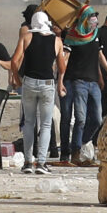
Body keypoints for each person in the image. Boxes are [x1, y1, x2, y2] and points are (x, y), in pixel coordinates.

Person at [11, 9, 65, 171]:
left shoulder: (26, 37)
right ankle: (41, 162)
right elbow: (62, 66)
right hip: (48, 84)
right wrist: (60, 82)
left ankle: (28, 162)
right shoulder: (56, 41)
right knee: (46, 124)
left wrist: (16, 77)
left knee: (29, 122)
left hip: (29, 82)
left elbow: (14, 61)